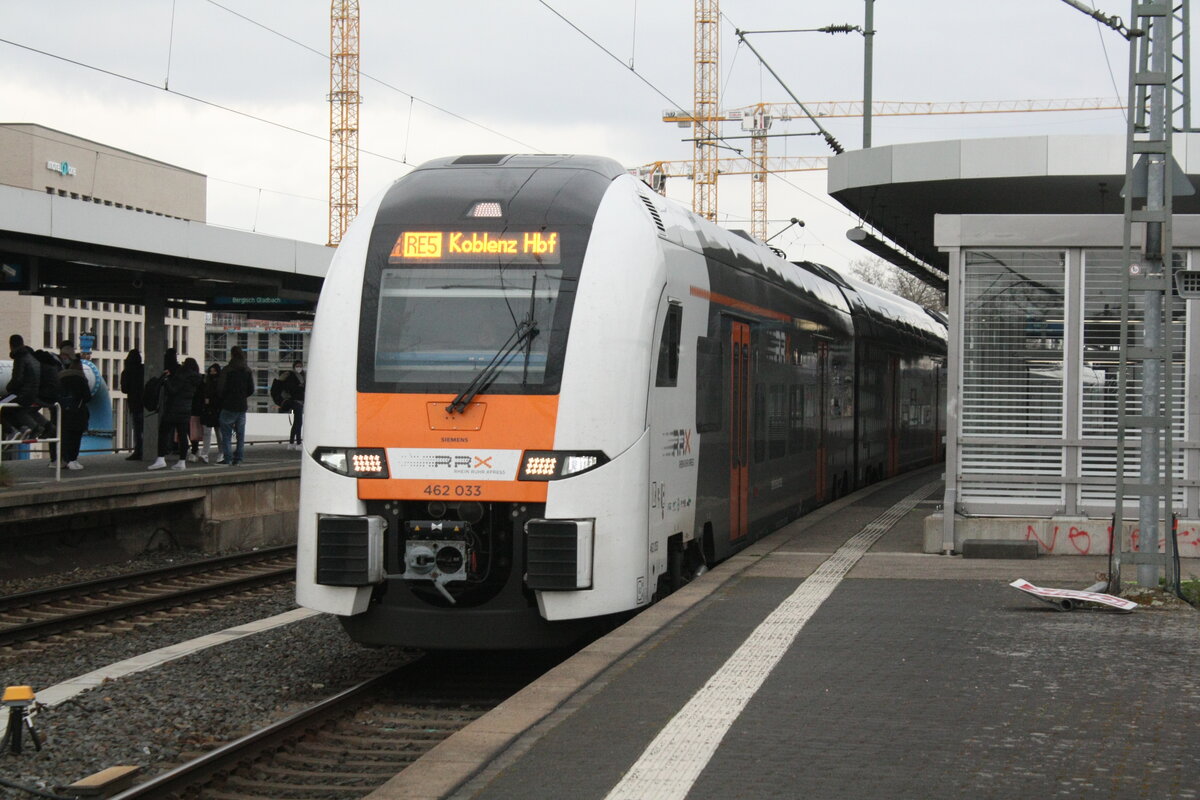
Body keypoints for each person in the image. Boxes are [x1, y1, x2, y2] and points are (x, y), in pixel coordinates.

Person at [148, 354, 201, 471]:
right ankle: (182, 462)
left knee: (163, 433)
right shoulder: (195, 379)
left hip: (173, 409)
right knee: (182, 435)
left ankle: (161, 459)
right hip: (186, 410)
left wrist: (166, 380)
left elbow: (173, 390)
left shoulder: (182, 377)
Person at [3, 334, 46, 441]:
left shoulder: (20, 358)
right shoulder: (32, 358)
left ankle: (12, 430)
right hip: (32, 394)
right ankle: (25, 428)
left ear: (11, 345)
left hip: (20, 394)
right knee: (12, 410)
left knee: (1, 404)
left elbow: (17, 379)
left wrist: (9, 388)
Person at [216, 346, 254, 466]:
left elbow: (220, 389)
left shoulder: (227, 370)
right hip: (242, 406)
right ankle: (239, 458)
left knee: (226, 434)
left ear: (232, 355)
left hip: (228, 405)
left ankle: (228, 458)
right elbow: (251, 389)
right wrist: (242, 396)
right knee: (240, 434)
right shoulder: (247, 370)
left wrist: (224, 399)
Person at [57, 357, 92, 470]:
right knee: (76, 437)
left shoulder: (61, 377)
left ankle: (65, 459)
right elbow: (87, 397)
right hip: (78, 412)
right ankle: (73, 459)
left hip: (63, 411)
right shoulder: (81, 378)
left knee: (65, 436)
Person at [189, 363, 221, 463]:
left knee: (215, 433)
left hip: (211, 410)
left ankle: (211, 453)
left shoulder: (207, 383)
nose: (212, 373)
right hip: (212, 411)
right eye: (211, 371)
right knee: (212, 433)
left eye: (214, 371)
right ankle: (206, 453)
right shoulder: (215, 383)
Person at [272, 361, 305, 451]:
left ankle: (291, 443)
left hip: (300, 402)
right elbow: (290, 388)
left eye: (300, 366)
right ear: (294, 367)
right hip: (295, 401)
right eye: (297, 366)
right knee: (299, 422)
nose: (299, 367)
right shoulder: (291, 376)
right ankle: (298, 443)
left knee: (296, 423)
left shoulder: (303, 376)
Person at [119, 349, 144, 460]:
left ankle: (139, 450)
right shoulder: (144, 369)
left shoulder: (127, 372)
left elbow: (124, 389)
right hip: (147, 402)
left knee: (137, 429)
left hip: (134, 403)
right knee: (147, 428)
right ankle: (150, 449)